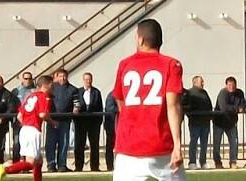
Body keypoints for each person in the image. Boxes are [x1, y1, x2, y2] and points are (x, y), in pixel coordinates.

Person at [110, 18, 185, 181]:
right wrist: (177, 145)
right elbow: (173, 106)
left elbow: (120, 101)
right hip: (160, 143)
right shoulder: (172, 64)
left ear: (141, 39)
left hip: (129, 145)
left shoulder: (125, 64)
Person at [0, 74, 51, 181]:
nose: (53, 88)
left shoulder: (30, 96)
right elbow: (42, 115)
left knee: (39, 161)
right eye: (52, 85)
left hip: (24, 129)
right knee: (30, 163)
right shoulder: (43, 96)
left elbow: (20, 116)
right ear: (46, 85)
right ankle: (5, 169)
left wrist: (27, 124)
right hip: (33, 131)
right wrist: (52, 121)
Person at [212, 77, 245, 169]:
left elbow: (243, 104)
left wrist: (241, 108)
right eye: (229, 85)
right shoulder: (223, 93)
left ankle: (233, 162)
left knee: (234, 142)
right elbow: (224, 107)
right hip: (219, 122)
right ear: (226, 85)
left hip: (231, 123)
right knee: (217, 144)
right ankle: (217, 162)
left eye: (233, 84)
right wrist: (236, 109)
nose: (231, 86)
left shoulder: (240, 93)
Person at [73, 72, 103, 172]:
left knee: (94, 145)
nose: (88, 81)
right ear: (83, 80)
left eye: (89, 79)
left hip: (93, 123)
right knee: (79, 145)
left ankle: (95, 166)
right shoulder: (78, 91)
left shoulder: (96, 92)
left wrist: (99, 122)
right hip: (81, 123)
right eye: (86, 79)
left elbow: (99, 107)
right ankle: (78, 167)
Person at [181, 77, 213, 171]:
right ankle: (192, 162)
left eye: (203, 81)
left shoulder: (204, 93)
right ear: (194, 82)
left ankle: (203, 162)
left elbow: (209, 105)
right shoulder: (189, 93)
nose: (203, 83)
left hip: (205, 123)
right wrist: (191, 116)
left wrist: (209, 116)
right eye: (201, 81)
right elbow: (185, 106)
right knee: (193, 142)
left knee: (204, 143)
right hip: (195, 123)